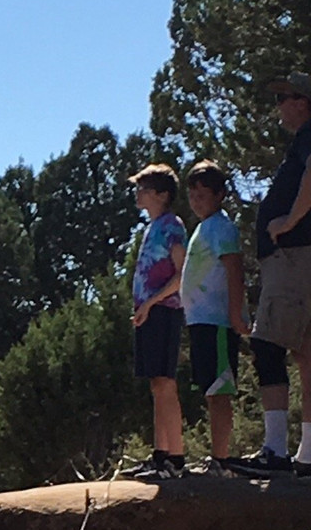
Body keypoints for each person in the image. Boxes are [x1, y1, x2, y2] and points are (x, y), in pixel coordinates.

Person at [229, 70, 311, 478]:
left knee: (267, 345)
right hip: (296, 258)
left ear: (303, 102)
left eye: (285, 98)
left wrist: (289, 220)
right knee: (305, 352)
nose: (278, 106)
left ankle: (275, 452)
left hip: (293, 258)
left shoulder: (310, 135)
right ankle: (307, 456)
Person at [180, 160, 249, 476]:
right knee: (209, 389)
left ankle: (221, 460)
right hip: (200, 322)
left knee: (220, 390)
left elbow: (234, 269)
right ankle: (216, 457)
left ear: (220, 194)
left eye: (203, 194)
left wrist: (236, 314)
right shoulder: (202, 228)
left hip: (218, 321)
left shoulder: (222, 226)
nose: (196, 201)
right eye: (192, 194)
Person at [124, 163, 187, 480]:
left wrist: (151, 302)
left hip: (165, 310)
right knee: (156, 383)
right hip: (149, 312)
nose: (139, 193)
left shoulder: (172, 226)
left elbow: (181, 275)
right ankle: (160, 454)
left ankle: (175, 457)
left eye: (144, 188)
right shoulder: (152, 227)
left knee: (165, 382)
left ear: (162, 194)